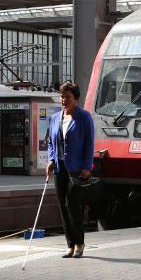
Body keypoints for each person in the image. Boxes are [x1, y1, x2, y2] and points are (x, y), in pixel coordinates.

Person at [46, 82, 95, 258]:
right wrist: (51, 159)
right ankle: (69, 245)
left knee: (72, 206)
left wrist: (86, 167)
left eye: (68, 97)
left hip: (76, 170)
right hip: (60, 169)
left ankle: (79, 243)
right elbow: (51, 142)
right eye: (62, 96)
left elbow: (89, 143)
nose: (64, 100)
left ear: (76, 99)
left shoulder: (84, 117)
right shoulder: (55, 118)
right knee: (63, 207)